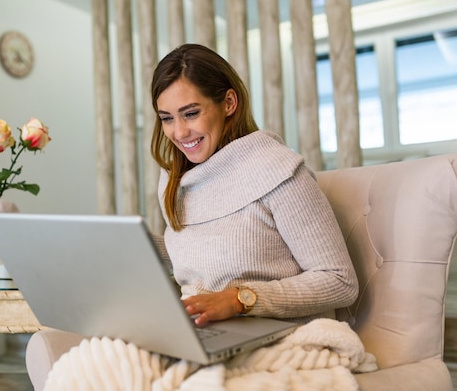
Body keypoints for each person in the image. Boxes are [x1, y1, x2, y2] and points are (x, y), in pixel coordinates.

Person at [150, 43, 358, 327]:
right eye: (167, 119)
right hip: (208, 332)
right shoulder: (176, 180)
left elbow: (340, 281)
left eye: (191, 113)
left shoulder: (278, 171)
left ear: (229, 103)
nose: (179, 132)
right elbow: (205, 262)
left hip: (281, 336)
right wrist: (138, 248)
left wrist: (240, 300)